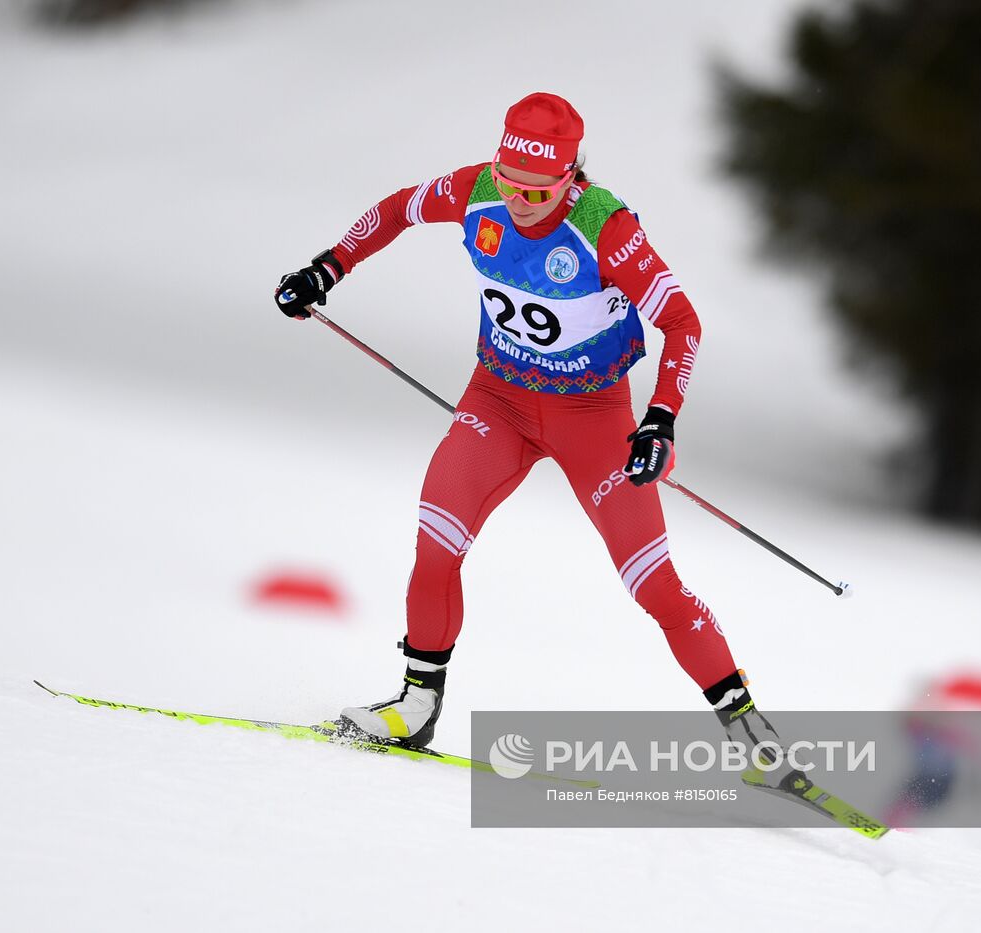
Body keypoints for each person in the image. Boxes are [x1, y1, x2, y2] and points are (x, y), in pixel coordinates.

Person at [274, 92, 789, 784]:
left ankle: (751, 732)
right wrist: (327, 267)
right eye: (510, 182)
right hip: (500, 401)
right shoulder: (479, 190)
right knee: (435, 540)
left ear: (571, 177)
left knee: (655, 585)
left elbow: (684, 323)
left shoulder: (605, 227)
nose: (518, 201)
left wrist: (661, 417)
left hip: (594, 418)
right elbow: (398, 208)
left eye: (538, 191)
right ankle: (415, 706)